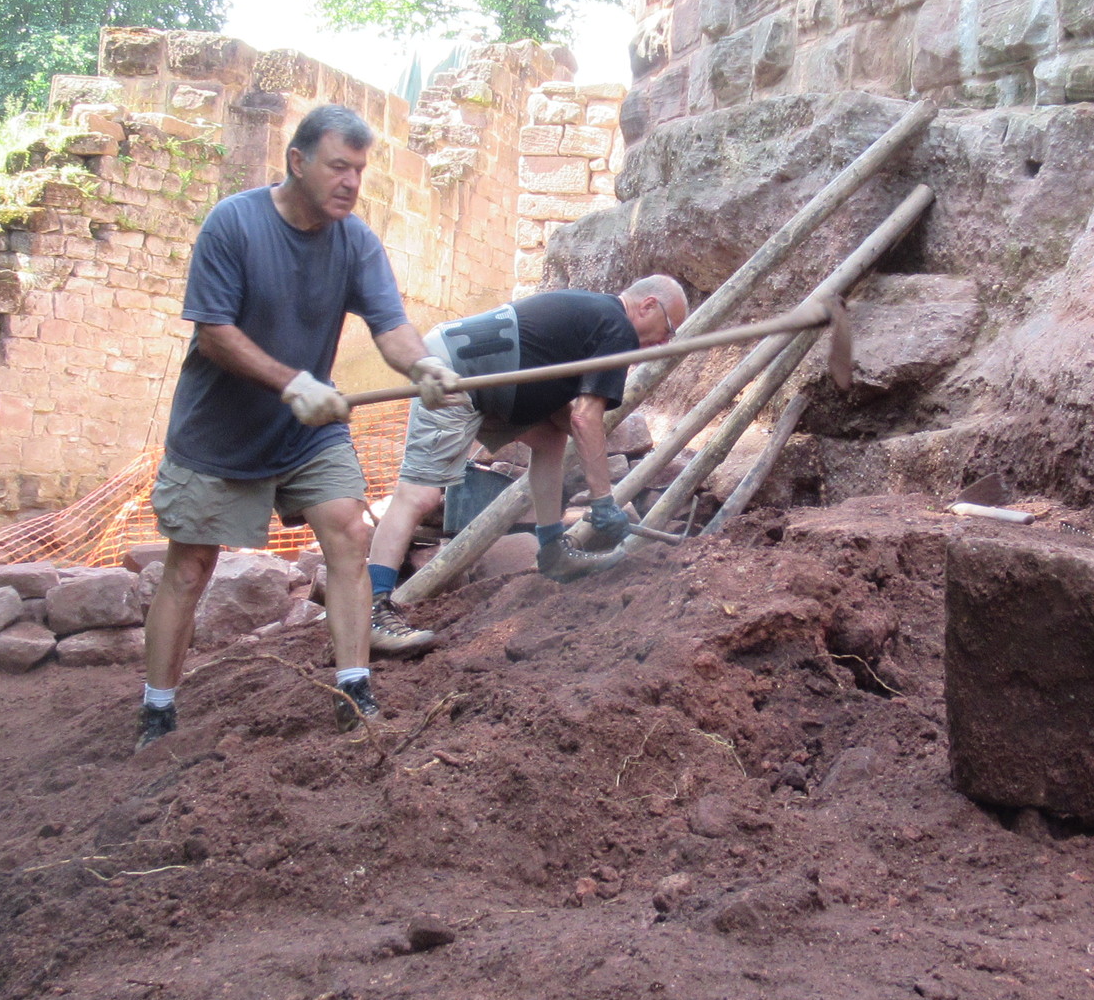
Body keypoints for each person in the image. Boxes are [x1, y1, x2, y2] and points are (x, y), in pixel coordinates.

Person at [137, 103, 451, 748]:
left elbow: (390, 325)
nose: (351, 182)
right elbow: (214, 332)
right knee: (190, 570)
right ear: (298, 161)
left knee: (349, 532)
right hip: (219, 430)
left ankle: (355, 691)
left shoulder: (356, 241)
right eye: (338, 166)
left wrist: (422, 364)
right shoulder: (234, 224)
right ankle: (158, 710)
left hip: (307, 429)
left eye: (359, 169)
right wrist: (292, 382)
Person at [363, 274, 691, 651]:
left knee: (550, 439)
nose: (665, 342)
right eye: (668, 329)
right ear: (647, 306)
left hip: (486, 377)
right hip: (455, 372)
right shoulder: (617, 327)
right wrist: (603, 502)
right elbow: (586, 418)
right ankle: (371, 611)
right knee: (419, 495)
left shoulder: (596, 315)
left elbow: (570, 419)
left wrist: (596, 474)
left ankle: (553, 552)